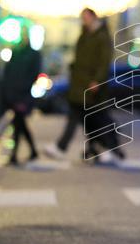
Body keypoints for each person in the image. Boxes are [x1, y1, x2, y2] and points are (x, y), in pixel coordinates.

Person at [44, 8, 125, 162]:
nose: (84, 21)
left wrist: (97, 81)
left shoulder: (101, 37)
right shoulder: (84, 35)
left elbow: (103, 63)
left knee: (99, 118)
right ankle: (95, 147)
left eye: (86, 18)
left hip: (92, 88)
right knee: (86, 119)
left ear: (94, 17)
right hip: (80, 86)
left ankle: (108, 148)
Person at [2, 27, 42, 164]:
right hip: (13, 92)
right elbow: (8, 71)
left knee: (18, 122)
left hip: (23, 93)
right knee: (19, 123)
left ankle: (14, 155)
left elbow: (35, 73)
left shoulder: (34, 54)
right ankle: (31, 151)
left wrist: (25, 87)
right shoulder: (15, 51)